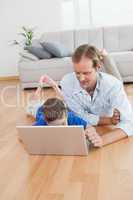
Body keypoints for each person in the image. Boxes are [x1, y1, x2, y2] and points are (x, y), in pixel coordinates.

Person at [59, 45, 133, 147]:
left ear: (98, 67)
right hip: (107, 120)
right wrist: (109, 120)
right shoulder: (66, 83)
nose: (81, 79)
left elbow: (130, 122)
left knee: (117, 81)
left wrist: (103, 140)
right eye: (77, 73)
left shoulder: (113, 85)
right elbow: (78, 115)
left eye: (86, 73)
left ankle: (106, 56)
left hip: (109, 113)